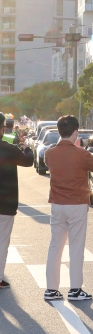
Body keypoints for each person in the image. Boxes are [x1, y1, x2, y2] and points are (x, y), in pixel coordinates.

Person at [43, 115, 93, 301]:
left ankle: (51, 289)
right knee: (76, 247)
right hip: (77, 205)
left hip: (57, 205)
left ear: (59, 132)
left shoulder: (50, 153)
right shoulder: (82, 154)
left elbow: (51, 165)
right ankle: (75, 290)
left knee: (55, 246)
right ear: (76, 132)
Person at [0, 113, 34, 290]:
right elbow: (28, 161)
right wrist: (26, 146)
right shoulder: (7, 147)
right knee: (2, 241)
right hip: (5, 203)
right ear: (3, 128)